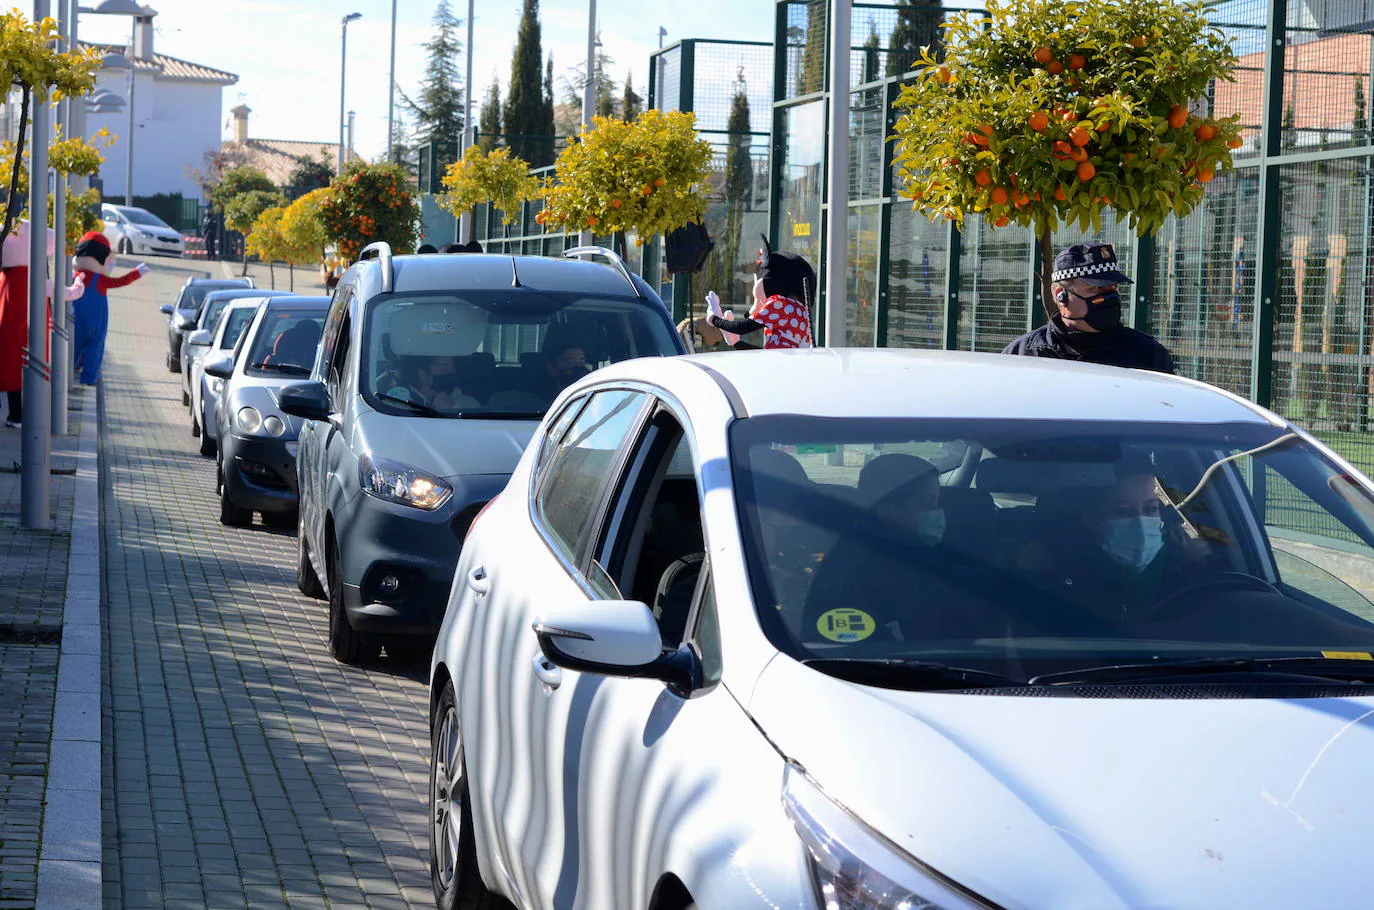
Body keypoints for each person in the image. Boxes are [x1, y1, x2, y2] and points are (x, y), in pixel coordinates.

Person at [804, 454, 998, 643]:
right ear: (888, 509)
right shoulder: (854, 570)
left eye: (937, 502)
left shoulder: (944, 551)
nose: (938, 512)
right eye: (927, 503)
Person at [1002, 242, 1174, 373]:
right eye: (1097, 288)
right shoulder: (1022, 354)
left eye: (1113, 288)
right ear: (1061, 295)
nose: (1110, 297)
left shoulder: (1147, 355)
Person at [705, 236, 815, 350]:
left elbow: (742, 327)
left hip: (777, 361)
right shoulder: (801, 311)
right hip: (788, 361)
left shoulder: (779, 304)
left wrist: (714, 319)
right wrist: (736, 342)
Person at [71, 232, 147, 386]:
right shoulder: (100, 280)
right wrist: (136, 273)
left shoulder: (74, 276)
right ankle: (88, 378)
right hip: (96, 323)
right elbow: (120, 281)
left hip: (75, 319)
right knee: (95, 348)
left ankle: (67, 370)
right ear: (102, 259)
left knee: (73, 346)